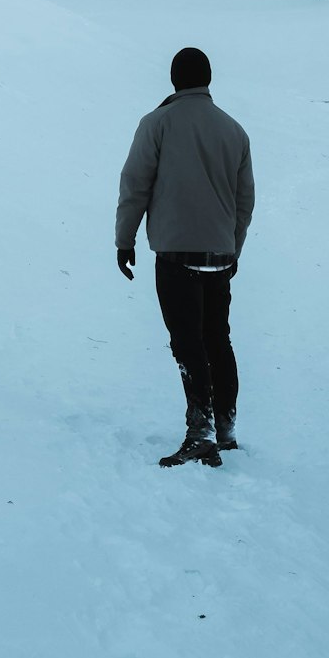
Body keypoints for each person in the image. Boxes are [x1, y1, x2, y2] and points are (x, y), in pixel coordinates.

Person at [115, 48, 255, 468]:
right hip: (219, 255)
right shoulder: (234, 131)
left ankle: (201, 432)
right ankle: (225, 428)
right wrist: (234, 248)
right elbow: (244, 200)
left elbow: (135, 184)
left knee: (187, 342)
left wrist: (125, 240)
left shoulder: (156, 123)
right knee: (218, 339)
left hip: (176, 254)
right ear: (208, 79)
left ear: (174, 80)